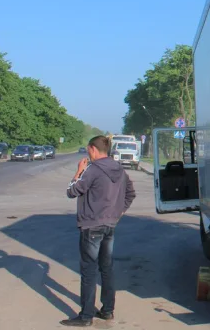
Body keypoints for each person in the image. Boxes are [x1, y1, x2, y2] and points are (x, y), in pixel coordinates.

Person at [60, 135, 136, 327]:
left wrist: (78, 171)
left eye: (88, 150)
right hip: (110, 225)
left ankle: (86, 317)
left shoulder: (92, 170)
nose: (88, 154)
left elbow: (72, 191)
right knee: (107, 268)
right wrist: (117, 213)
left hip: (91, 225)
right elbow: (130, 194)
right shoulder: (119, 169)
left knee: (89, 271)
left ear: (94, 149)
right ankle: (107, 310)